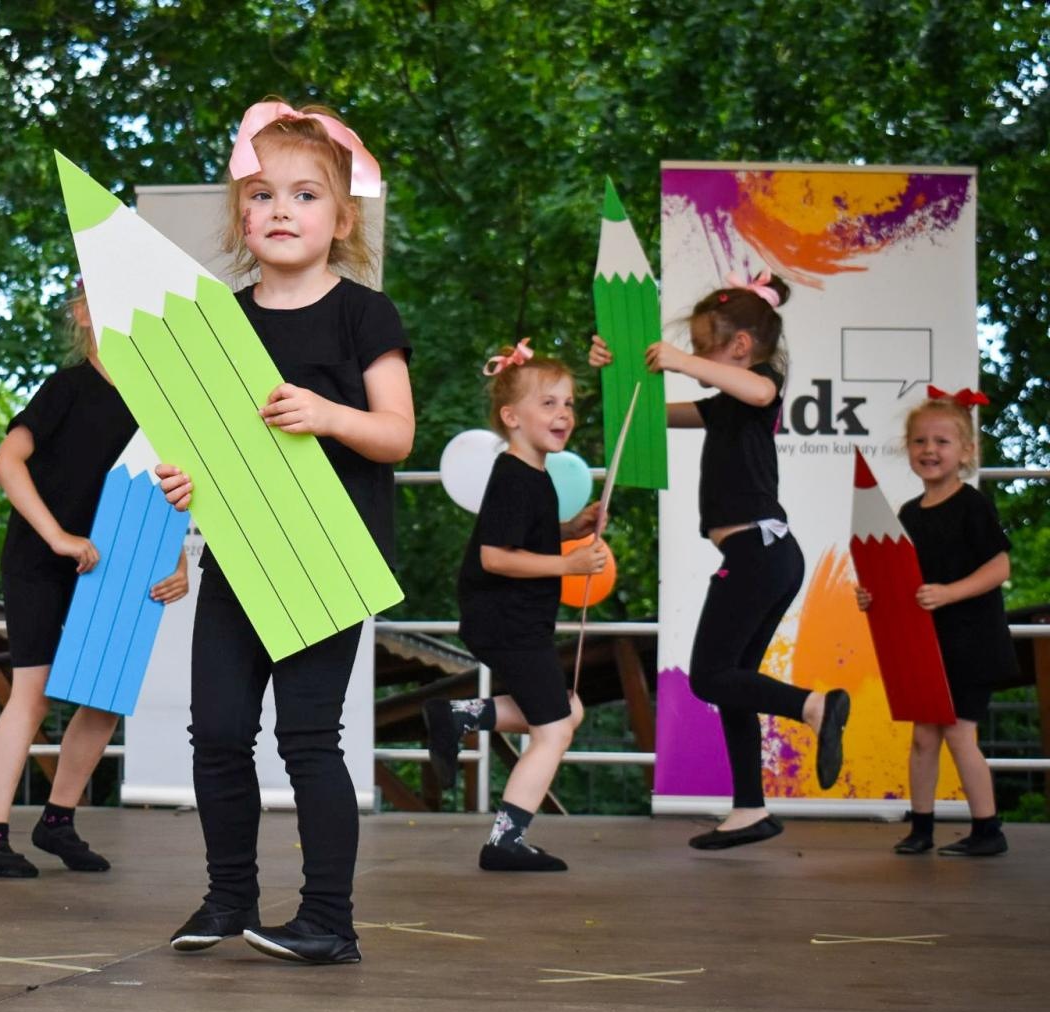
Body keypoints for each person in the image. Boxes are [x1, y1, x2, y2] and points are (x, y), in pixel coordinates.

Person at [157, 100, 414, 964]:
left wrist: (327, 414)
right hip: (240, 553)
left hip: (329, 557)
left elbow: (397, 435)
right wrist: (189, 482)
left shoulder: (364, 316)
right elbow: (213, 448)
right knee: (218, 730)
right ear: (241, 214)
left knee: (309, 738)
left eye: (305, 195)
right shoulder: (219, 320)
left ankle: (329, 922)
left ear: (343, 219)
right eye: (262, 194)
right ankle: (229, 898)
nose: (280, 210)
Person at [589, 271, 850, 849]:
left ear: (738, 348)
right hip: (764, 553)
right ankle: (750, 809)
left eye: (707, 344)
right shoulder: (727, 408)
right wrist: (615, 369)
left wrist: (684, 360)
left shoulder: (761, 386)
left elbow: (757, 390)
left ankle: (814, 705)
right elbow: (653, 414)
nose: (698, 355)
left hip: (760, 550)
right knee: (735, 683)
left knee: (710, 676)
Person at [0, 288, 188, 878]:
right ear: (83, 312)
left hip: (118, 562)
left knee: (105, 695)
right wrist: (58, 536)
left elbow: (174, 493)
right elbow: (4, 462)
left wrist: (179, 562)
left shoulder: (161, 406)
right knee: (32, 693)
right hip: (41, 558)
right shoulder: (64, 388)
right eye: (101, 295)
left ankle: (57, 820)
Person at [423, 341, 605, 871]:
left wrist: (570, 531)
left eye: (568, 403)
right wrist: (568, 566)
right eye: (548, 403)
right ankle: (505, 840)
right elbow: (496, 557)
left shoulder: (534, 475)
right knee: (555, 727)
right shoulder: (512, 477)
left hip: (516, 621)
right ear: (512, 417)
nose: (563, 414)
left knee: (567, 709)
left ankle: (456, 715)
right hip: (506, 621)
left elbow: (528, 539)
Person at [854, 388, 1012, 856]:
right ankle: (921, 826)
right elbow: (904, 580)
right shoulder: (905, 514)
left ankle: (988, 829)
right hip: (928, 644)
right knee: (923, 735)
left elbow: (998, 568)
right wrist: (874, 596)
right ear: (909, 449)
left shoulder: (973, 504)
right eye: (920, 441)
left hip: (971, 642)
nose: (930, 450)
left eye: (942, 442)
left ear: (966, 451)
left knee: (960, 735)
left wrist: (949, 593)